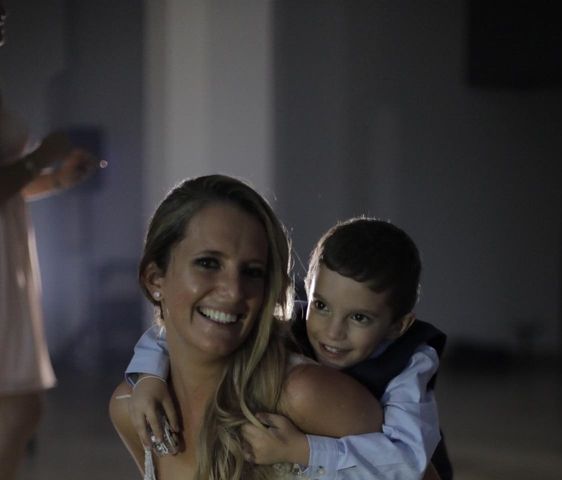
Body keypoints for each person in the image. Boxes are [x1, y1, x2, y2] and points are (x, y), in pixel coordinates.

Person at [124, 216, 452, 479]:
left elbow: (409, 464)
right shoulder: (293, 318)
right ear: (307, 289)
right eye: (321, 306)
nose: (332, 332)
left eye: (359, 317)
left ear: (398, 325)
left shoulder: (410, 363)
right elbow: (180, 333)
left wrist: (301, 450)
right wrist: (148, 376)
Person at [108, 175, 385, 480]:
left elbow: (407, 466)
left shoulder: (305, 395)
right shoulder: (132, 410)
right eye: (209, 263)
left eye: (252, 272)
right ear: (154, 279)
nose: (234, 291)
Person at [0, 5, 100, 478]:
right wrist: (41, 156)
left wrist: (57, 179)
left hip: (10, 251)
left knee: (22, 407)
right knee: (17, 408)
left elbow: (9, 187)